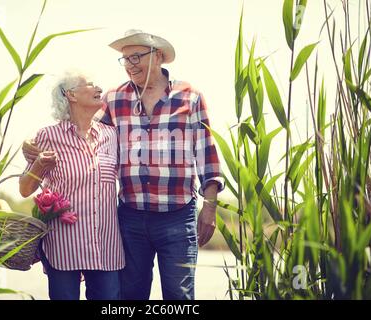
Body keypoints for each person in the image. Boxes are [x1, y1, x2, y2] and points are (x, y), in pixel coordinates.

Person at [23, 30, 224, 300]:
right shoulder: (114, 99)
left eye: (136, 57)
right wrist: (29, 142)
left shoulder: (190, 96)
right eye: (125, 60)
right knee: (130, 295)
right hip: (130, 219)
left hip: (178, 217)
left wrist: (209, 209)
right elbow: (80, 127)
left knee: (180, 295)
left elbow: (207, 155)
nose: (130, 65)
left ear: (160, 56)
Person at [19, 73, 125, 300]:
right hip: (64, 246)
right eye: (90, 83)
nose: (98, 86)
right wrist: (38, 165)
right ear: (71, 95)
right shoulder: (48, 135)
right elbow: (25, 189)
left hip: (105, 247)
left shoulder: (111, 135)